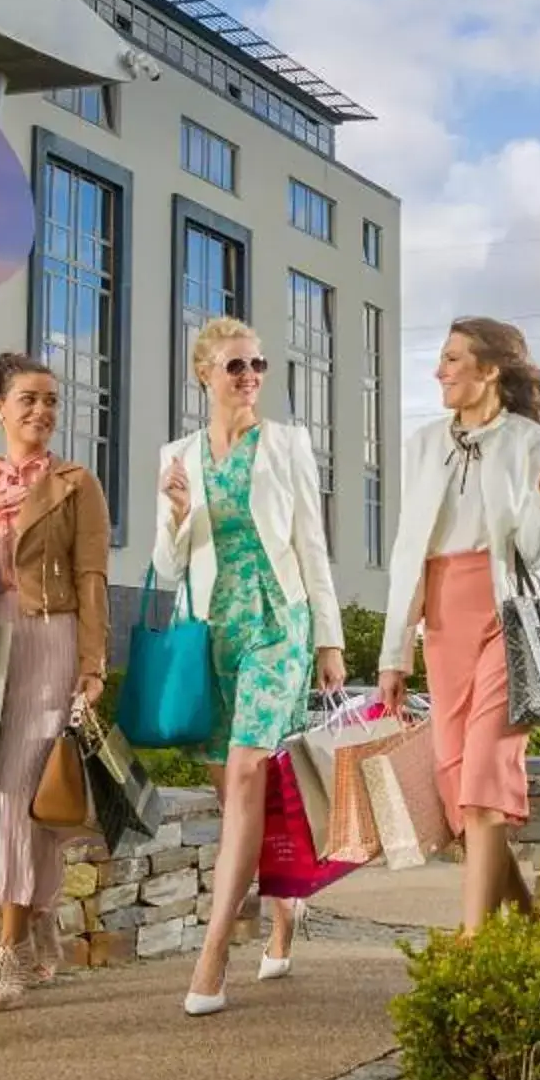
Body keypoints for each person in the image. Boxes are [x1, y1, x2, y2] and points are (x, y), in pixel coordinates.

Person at [151, 314, 347, 1016]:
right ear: (204, 372)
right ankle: (284, 903)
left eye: (259, 365)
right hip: (210, 631)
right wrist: (176, 512)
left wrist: (330, 640)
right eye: (236, 366)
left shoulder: (288, 445)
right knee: (234, 788)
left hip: (277, 623)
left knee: (245, 770)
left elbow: (313, 545)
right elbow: (165, 566)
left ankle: (213, 957)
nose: (250, 377)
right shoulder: (176, 453)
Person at [377, 318, 540, 935]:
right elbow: (405, 551)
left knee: (481, 782)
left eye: (451, 360)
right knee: (456, 786)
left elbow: (530, 548)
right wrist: (395, 651)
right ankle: (528, 926)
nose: (439, 372)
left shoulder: (525, 440)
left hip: (505, 619)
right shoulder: (422, 445)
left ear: (489, 370)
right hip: (441, 621)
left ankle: (473, 950)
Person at [0, 352, 110, 1015]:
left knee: (20, 796)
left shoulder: (76, 485)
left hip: (49, 641)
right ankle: (38, 913)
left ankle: (6, 952)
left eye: (50, 401)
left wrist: (92, 666)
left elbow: (92, 577)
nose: (41, 412)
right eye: (28, 400)